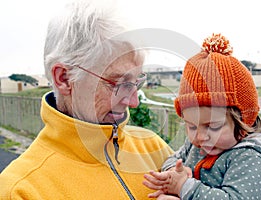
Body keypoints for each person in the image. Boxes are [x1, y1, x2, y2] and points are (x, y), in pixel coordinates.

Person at [0, 1, 173, 199]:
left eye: (136, 81)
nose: (133, 102)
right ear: (64, 78)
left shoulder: (154, 148)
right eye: (118, 83)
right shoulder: (21, 190)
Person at [143, 33, 261, 200]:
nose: (199, 137)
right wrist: (172, 174)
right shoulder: (197, 145)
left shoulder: (251, 159)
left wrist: (184, 187)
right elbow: (174, 158)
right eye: (191, 126)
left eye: (213, 126)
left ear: (243, 121)